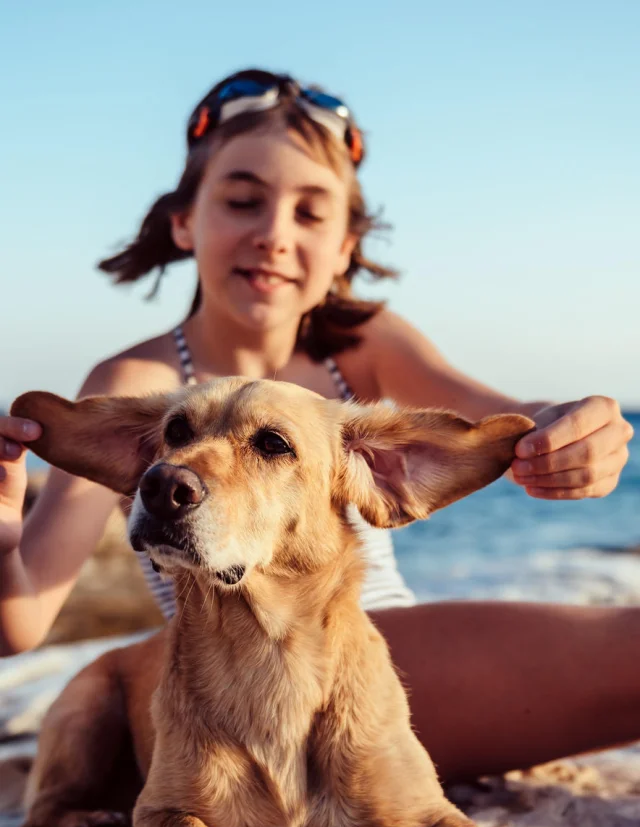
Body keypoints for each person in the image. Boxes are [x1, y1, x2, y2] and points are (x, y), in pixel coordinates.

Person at [0, 70, 636, 781]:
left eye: (310, 214)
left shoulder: (363, 346)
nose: (274, 235)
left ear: (344, 247)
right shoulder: (138, 385)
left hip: (377, 675)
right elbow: (22, 622)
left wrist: (577, 429)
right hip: (254, 696)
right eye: (243, 201)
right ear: (183, 221)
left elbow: (502, 423)